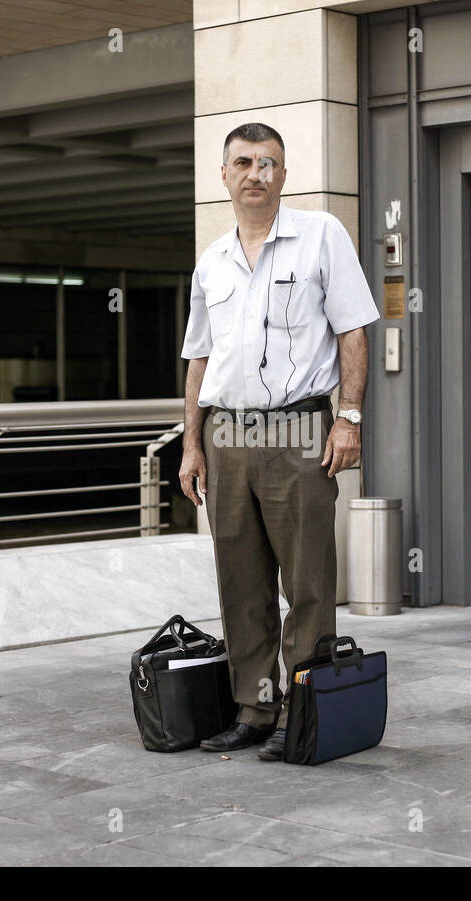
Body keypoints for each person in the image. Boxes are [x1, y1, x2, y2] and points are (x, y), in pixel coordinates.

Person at [178, 122, 379, 761]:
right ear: (225, 176)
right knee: (241, 582)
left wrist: (349, 418)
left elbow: (353, 332)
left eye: (268, 163)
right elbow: (198, 360)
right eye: (243, 162)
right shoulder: (211, 263)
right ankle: (255, 709)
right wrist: (191, 445)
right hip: (228, 435)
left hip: (300, 431)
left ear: (284, 176)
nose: (255, 174)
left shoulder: (321, 236)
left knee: (308, 580)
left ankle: (307, 709)